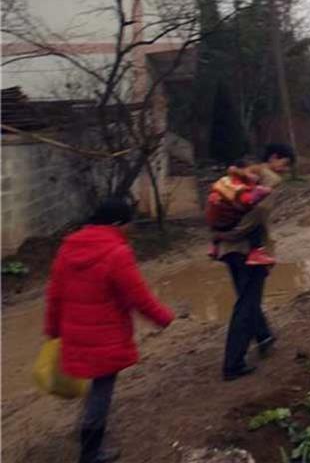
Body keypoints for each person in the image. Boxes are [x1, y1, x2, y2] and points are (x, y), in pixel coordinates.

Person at [44, 198, 174, 463]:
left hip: (76, 333)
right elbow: (138, 295)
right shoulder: (117, 252)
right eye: (129, 224)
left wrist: (53, 329)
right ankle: (91, 452)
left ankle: (86, 434)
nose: (131, 229)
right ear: (117, 224)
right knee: (101, 390)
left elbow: (54, 294)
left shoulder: (68, 247)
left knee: (94, 388)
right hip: (106, 336)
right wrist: (163, 317)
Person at [213, 143, 294, 380]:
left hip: (228, 250)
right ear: (274, 157)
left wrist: (220, 236)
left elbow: (220, 205)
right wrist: (232, 234)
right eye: (285, 164)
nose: (286, 170)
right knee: (246, 306)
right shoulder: (269, 181)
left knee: (246, 298)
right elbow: (257, 216)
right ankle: (233, 364)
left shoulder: (240, 172)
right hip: (249, 250)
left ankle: (264, 336)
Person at [206, 161, 275, 266]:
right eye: (253, 173)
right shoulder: (240, 187)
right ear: (243, 171)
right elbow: (247, 200)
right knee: (256, 220)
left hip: (215, 223)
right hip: (228, 223)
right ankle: (255, 253)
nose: (255, 177)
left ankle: (214, 247)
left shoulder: (225, 181)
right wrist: (261, 192)